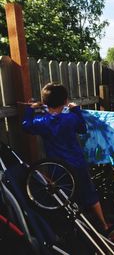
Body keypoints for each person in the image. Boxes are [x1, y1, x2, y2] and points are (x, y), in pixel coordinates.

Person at [22, 82, 109, 231]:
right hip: (77, 164)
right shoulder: (70, 119)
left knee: (64, 198)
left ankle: (73, 229)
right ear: (65, 101)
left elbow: (26, 125)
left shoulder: (42, 122)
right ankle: (104, 224)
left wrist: (30, 109)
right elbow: (82, 128)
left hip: (59, 169)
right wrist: (75, 110)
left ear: (44, 102)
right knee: (89, 193)